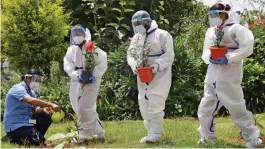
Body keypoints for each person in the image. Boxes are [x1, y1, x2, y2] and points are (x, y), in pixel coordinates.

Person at [198, 3, 262, 148]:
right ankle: (207, 136)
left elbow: (247, 47)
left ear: (223, 13)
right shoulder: (212, 31)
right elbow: (206, 51)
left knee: (235, 105)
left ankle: (252, 138)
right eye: (211, 15)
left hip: (230, 72)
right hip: (212, 72)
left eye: (215, 15)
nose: (213, 18)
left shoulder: (236, 28)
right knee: (206, 104)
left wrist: (229, 57)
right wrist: (210, 57)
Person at [127, 10, 174, 143]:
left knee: (156, 102)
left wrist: (157, 65)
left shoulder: (162, 35)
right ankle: (150, 131)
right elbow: (130, 54)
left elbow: (169, 55)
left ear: (146, 22)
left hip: (160, 74)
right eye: (135, 24)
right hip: (142, 75)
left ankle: (156, 134)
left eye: (139, 23)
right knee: (144, 103)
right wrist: (134, 65)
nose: (137, 26)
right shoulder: (136, 38)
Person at [63, 24, 107, 142]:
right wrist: (75, 74)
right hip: (76, 79)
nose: (77, 36)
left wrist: (94, 74)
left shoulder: (92, 47)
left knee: (85, 106)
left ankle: (83, 135)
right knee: (76, 106)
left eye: (79, 33)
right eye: (75, 34)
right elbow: (67, 63)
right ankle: (99, 132)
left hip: (91, 80)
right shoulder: (71, 49)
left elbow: (102, 60)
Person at [2, 69, 61, 146]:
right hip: (16, 124)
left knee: (45, 117)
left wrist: (43, 109)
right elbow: (30, 101)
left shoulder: (31, 92)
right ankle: (12, 137)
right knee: (38, 141)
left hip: (28, 122)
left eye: (39, 80)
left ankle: (35, 135)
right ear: (27, 78)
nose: (37, 82)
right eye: (36, 79)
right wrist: (51, 105)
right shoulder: (18, 88)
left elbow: (35, 109)